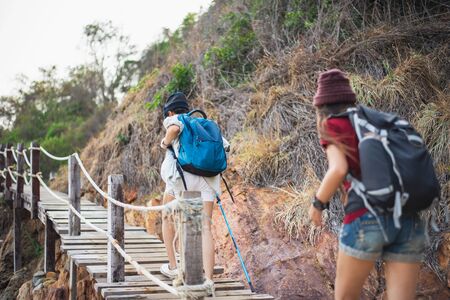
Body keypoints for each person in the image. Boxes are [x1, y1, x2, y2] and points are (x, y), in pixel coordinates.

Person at [308, 69, 426, 300]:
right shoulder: (377, 121)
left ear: (321, 106)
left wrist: (317, 203)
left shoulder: (333, 125)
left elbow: (338, 169)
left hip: (366, 217)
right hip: (408, 217)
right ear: (351, 98)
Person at [158, 92, 228, 290]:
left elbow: (172, 129)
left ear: (170, 111)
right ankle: (209, 280)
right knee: (205, 227)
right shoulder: (203, 124)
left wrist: (165, 143)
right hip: (209, 180)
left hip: (184, 178)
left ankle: (173, 266)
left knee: (167, 215)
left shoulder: (175, 119)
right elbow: (226, 146)